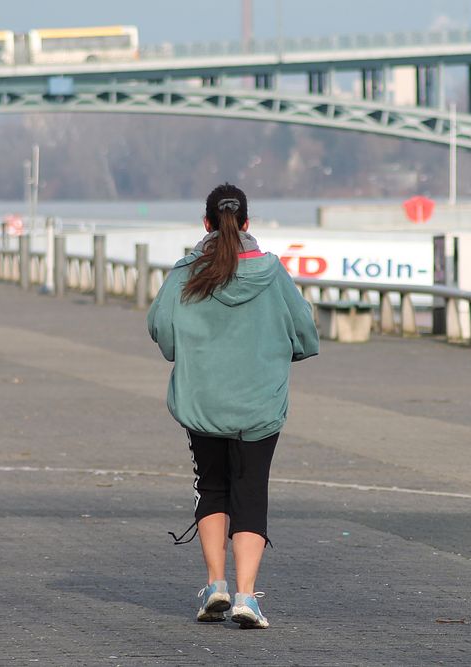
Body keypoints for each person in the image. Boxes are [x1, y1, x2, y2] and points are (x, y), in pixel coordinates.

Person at [147, 183, 319, 629]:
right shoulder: (272, 272)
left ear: (206, 224)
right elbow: (305, 333)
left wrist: (185, 352)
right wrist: (278, 356)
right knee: (251, 492)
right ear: (246, 223)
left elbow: (161, 328)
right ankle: (247, 596)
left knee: (213, 487)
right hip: (260, 403)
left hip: (202, 400)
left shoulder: (187, 272)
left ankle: (215, 585)